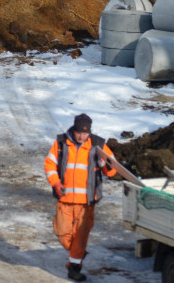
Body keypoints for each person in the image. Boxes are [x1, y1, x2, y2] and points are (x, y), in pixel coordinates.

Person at [44, 113, 117, 281]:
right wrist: (55, 183)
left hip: (87, 202)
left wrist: (107, 165)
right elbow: (49, 164)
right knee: (62, 233)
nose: (81, 136)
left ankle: (74, 267)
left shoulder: (98, 145)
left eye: (85, 133)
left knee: (80, 236)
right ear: (74, 130)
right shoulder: (62, 143)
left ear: (89, 132)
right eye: (79, 132)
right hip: (65, 199)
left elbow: (112, 170)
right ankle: (78, 253)